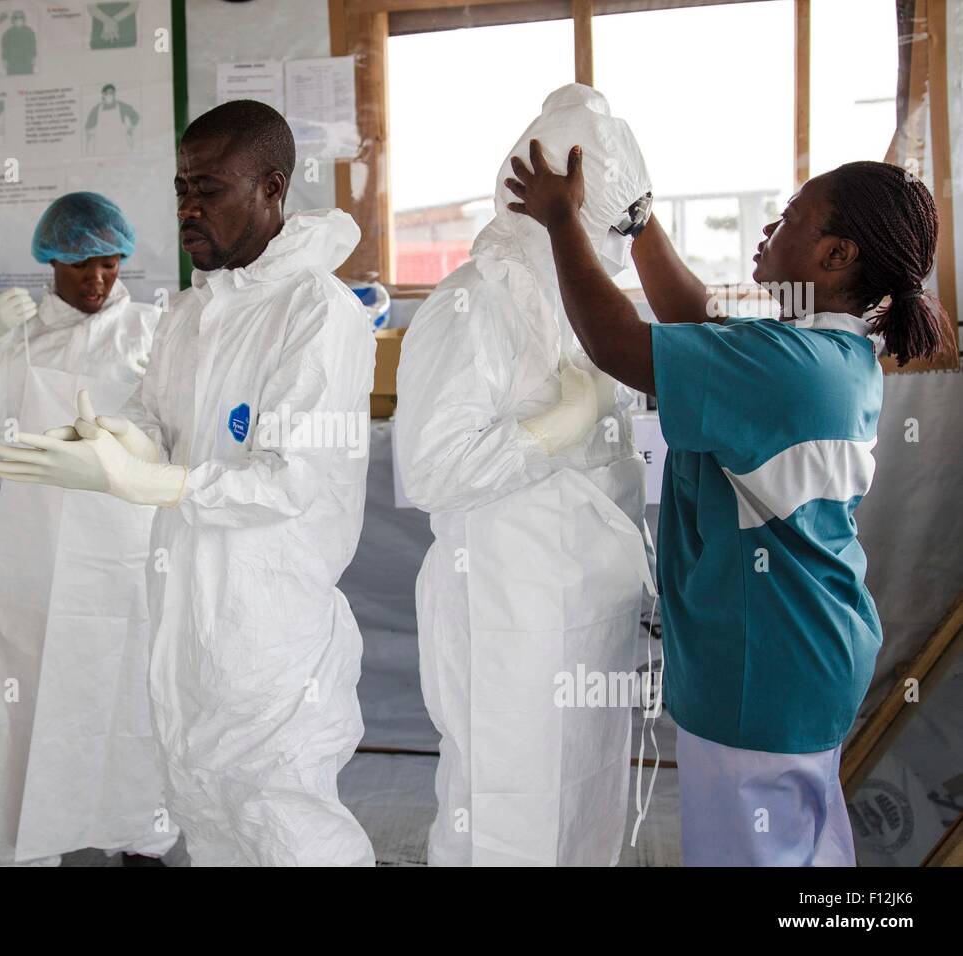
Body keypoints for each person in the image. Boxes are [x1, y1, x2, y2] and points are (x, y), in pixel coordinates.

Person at [505, 138, 950, 865]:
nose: (768, 230)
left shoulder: (795, 370)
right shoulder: (822, 351)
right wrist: (638, 219)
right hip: (802, 654)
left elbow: (622, 344)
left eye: (790, 220)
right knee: (801, 848)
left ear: (836, 256)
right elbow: (699, 321)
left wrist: (562, 223)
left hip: (764, 668)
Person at [0, 100, 377, 866]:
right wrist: (110, 438)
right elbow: (155, 418)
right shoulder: (193, 312)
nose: (188, 209)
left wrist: (148, 483)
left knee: (288, 829)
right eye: (179, 189)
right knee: (210, 822)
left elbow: (290, 480)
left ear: (271, 188)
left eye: (210, 189)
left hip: (268, 635)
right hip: (186, 627)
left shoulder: (317, 313)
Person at [394, 84, 654, 866]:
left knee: (581, 806)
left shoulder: (579, 301)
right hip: (507, 610)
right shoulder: (472, 306)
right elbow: (431, 469)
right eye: (596, 224)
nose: (609, 249)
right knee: (508, 811)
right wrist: (551, 432)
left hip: (588, 611)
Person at [0, 192, 173, 867]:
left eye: (111, 266)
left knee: (130, 692)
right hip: (34, 549)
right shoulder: (19, 339)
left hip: (127, 544)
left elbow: (187, 436)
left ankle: (139, 834)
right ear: (50, 263)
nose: (96, 281)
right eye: (81, 266)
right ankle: (20, 842)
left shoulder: (155, 331)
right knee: (27, 692)